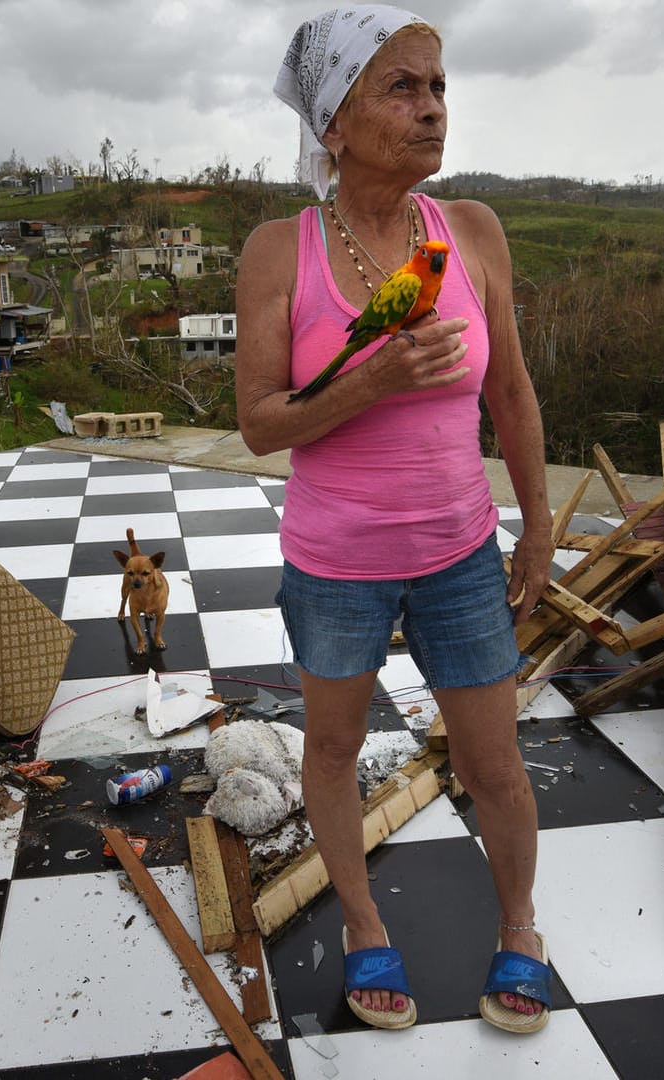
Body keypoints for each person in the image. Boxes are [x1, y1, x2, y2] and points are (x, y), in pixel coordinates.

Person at [235, 5, 557, 1035]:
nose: (431, 110)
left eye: (438, 87)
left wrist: (538, 522)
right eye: (401, 89)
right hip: (335, 564)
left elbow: (510, 394)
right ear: (334, 122)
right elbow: (256, 425)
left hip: (462, 551)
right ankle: (367, 927)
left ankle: (521, 930)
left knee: (492, 763)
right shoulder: (278, 254)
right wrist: (367, 383)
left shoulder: (470, 232)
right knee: (330, 754)